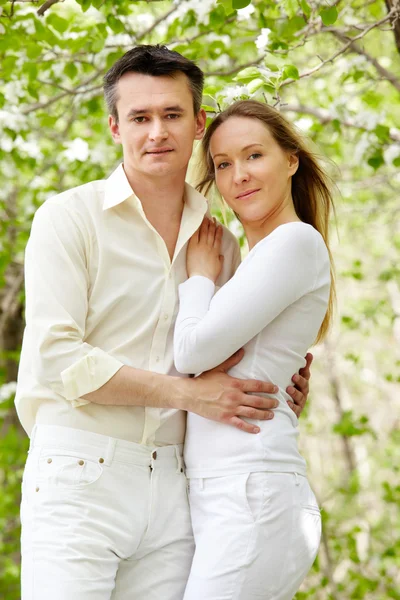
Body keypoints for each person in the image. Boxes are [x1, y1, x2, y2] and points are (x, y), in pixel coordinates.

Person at [16, 46, 312, 600]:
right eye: (140, 117)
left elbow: (237, 364)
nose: (158, 132)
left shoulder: (220, 244)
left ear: (199, 123)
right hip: (79, 470)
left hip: (179, 489)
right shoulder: (68, 218)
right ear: (114, 126)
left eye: (173, 115)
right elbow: (56, 359)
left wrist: (287, 381)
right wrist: (190, 395)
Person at [173, 99, 335, 600]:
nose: (238, 175)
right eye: (223, 164)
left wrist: (198, 277)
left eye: (253, 156)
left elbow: (192, 353)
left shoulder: (294, 243)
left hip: (252, 490)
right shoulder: (255, 259)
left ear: (291, 160)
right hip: (230, 490)